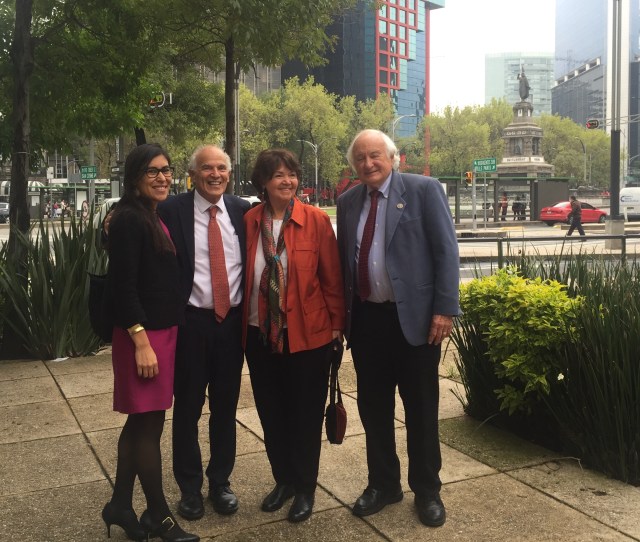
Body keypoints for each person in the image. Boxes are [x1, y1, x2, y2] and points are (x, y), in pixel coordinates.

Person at [336, 129, 459, 528]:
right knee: (373, 410)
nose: (368, 164)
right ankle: (384, 484)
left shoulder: (423, 190)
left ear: (393, 157)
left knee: (421, 409)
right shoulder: (347, 201)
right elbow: (345, 264)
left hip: (418, 322)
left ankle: (427, 490)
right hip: (368, 322)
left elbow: (446, 251)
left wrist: (444, 309)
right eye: (360, 159)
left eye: (375, 156)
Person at [242, 149, 345, 523]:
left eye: (292, 175)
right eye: (278, 176)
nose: (287, 181)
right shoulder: (250, 221)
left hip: (309, 337)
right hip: (259, 334)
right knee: (271, 413)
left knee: (304, 415)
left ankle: (305, 487)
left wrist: (337, 327)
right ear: (264, 183)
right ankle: (282, 480)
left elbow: (332, 279)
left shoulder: (315, 220)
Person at [103, 143, 198, 542]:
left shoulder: (147, 214)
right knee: (149, 426)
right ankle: (157, 514)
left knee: (141, 421)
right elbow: (121, 288)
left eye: (167, 170)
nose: (163, 177)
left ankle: (120, 504)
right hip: (142, 337)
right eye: (152, 171)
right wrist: (141, 340)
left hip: (160, 333)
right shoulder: (128, 219)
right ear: (134, 177)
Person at [157, 145, 251, 521]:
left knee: (225, 409)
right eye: (207, 168)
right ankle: (190, 488)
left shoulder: (244, 212)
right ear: (192, 175)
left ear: (229, 173)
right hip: (190, 325)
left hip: (231, 325)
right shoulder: (170, 210)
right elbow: (131, 225)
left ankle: (220, 482)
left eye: (222, 168)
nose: (215, 174)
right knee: (188, 410)